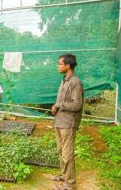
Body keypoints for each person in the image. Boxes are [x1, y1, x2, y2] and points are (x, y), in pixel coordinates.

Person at [51, 54, 84, 190]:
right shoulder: (64, 80)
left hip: (68, 123)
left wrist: (59, 105)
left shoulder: (75, 82)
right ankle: (64, 176)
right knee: (60, 151)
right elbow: (62, 100)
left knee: (67, 154)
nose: (58, 66)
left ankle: (69, 185)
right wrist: (57, 105)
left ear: (68, 66)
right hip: (59, 121)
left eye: (60, 63)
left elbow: (77, 105)